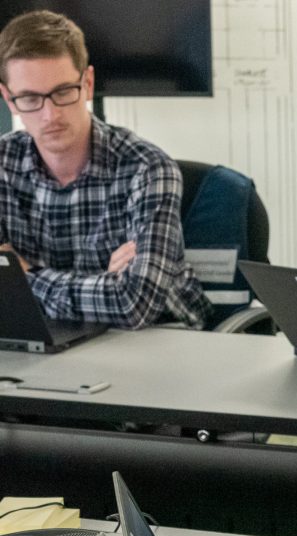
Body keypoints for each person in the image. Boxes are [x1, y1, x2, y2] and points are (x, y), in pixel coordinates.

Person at [0, 10, 210, 329]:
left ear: (87, 82)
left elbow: (133, 304)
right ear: (9, 99)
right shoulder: (2, 164)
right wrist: (102, 284)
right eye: (30, 98)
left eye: (63, 92)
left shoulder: (147, 167)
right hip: (49, 340)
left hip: (162, 336)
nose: (50, 114)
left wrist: (25, 276)